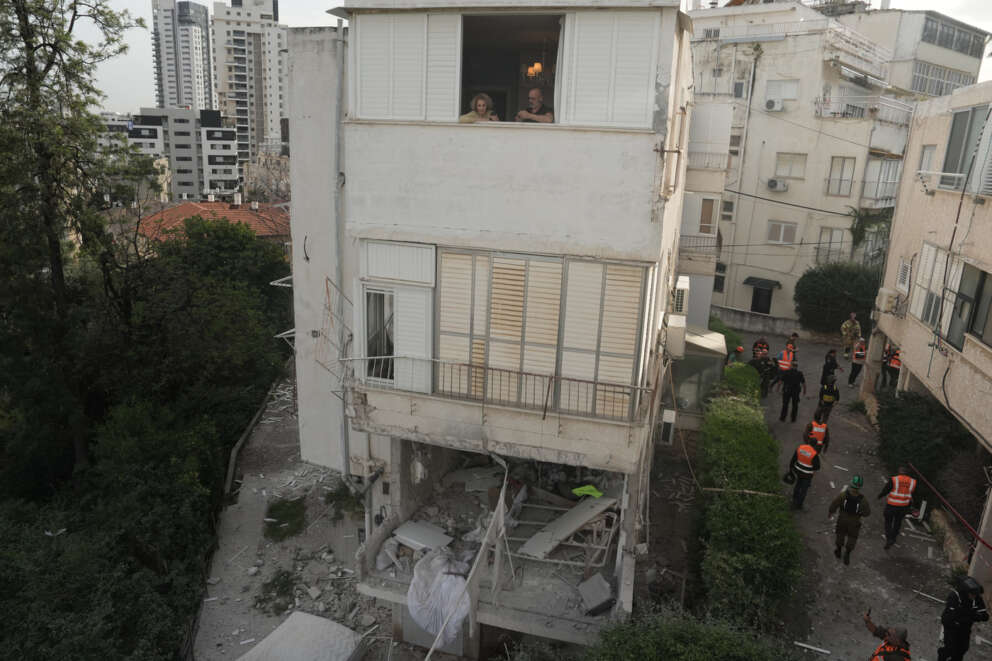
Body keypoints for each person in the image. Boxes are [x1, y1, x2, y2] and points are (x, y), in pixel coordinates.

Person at [938, 575, 989, 661]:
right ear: (966, 592)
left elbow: (985, 616)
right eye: (972, 594)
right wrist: (972, 614)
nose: (974, 597)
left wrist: (974, 615)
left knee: (962, 649)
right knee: (950, 648)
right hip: (951, 626)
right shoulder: (955, 596)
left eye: (975, 595)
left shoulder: (976, 598)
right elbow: (951, 617)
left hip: (965, 628)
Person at [828, 475, 870, 565]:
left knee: (840, 534)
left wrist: (831, 512)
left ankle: (838, 551)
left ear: (851, 484)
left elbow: (834, 504)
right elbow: (867, 513)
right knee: (852, 537)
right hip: (854, 522)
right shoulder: (863, 500)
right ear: (860, 486)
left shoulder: (843, 495)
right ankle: (847, 554)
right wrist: (860, 513)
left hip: (842, 518)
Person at [878, 466, 917, 550]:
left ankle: (888, 539)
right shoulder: (913, 482)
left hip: (892, 505)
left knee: (888, 522)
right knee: (897, 522)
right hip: (903, 506)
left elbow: (886, 490)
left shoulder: (894, 479)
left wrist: (879, 496)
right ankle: (893, 538)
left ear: (900, 471)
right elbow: (911, 494)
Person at [790, 440, 820, 508]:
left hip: (798, 471)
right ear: (815, 445)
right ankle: (799, 504)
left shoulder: (800, 447)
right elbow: (817, 467)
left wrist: (791, 468)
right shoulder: (814, 454)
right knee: (804, 489)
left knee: (798, 484)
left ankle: (794, 498)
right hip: (807, 475)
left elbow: (793, 459)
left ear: (809, 442)